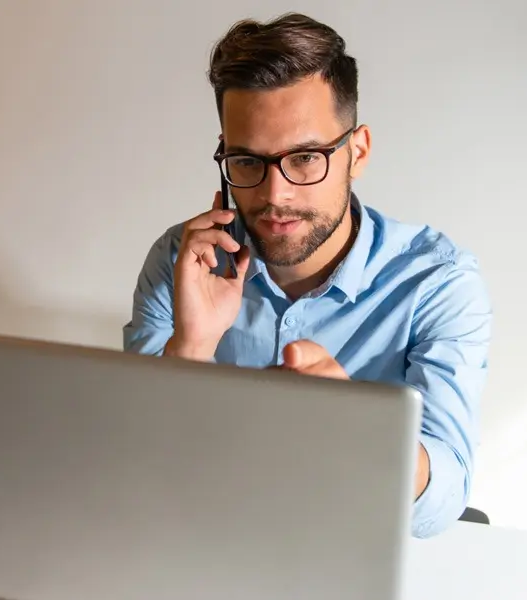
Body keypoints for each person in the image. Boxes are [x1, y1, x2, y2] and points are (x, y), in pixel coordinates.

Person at [122, 13, 493, 539]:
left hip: (350, 547)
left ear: (356, 152)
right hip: (204, 536)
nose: (275, 194)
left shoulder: (438, 283)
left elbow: (444, 500)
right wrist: (191, 348)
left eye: (304, 157)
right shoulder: (182, 261)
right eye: (248, 161)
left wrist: (362, 430)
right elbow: (129, 463)